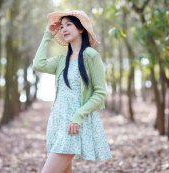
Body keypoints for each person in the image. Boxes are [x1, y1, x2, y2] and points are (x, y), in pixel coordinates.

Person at [33, 10, 112, 173]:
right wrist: (48, 35)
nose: (64, 29)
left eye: (69, 24)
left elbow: (100, 92)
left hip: (74, 125)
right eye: (61, 26)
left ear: (81, 28)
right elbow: (38, 64)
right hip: (57, 124)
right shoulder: (61, 61)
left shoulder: (91, 56)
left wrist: (79, 116)